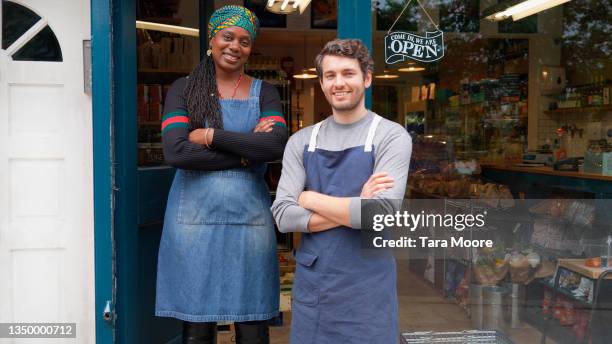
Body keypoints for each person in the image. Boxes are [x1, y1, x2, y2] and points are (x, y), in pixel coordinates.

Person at [155, 6, 288, 344]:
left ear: (250, 48)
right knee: (197, 324)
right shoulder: (183, 89)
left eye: (244, 41)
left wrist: (213, 137)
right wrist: (246, 156)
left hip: (250, 221)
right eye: (227, 37)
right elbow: (177, 152)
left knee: (253, 321)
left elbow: (273, 147)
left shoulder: (266, 91)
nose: (235, 46)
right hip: (192, 222)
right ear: (212, 40)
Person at [271, 39, 412, 343]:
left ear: (367, 78)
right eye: (330, 75)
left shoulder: (391, 136)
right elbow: (283, 216)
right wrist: (356, 205)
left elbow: (379, 215)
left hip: (368, 290)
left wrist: (310, 199)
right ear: (321, 83)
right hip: (316, 287)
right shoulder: (301, 141)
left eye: (348, 73)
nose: (339, 83)